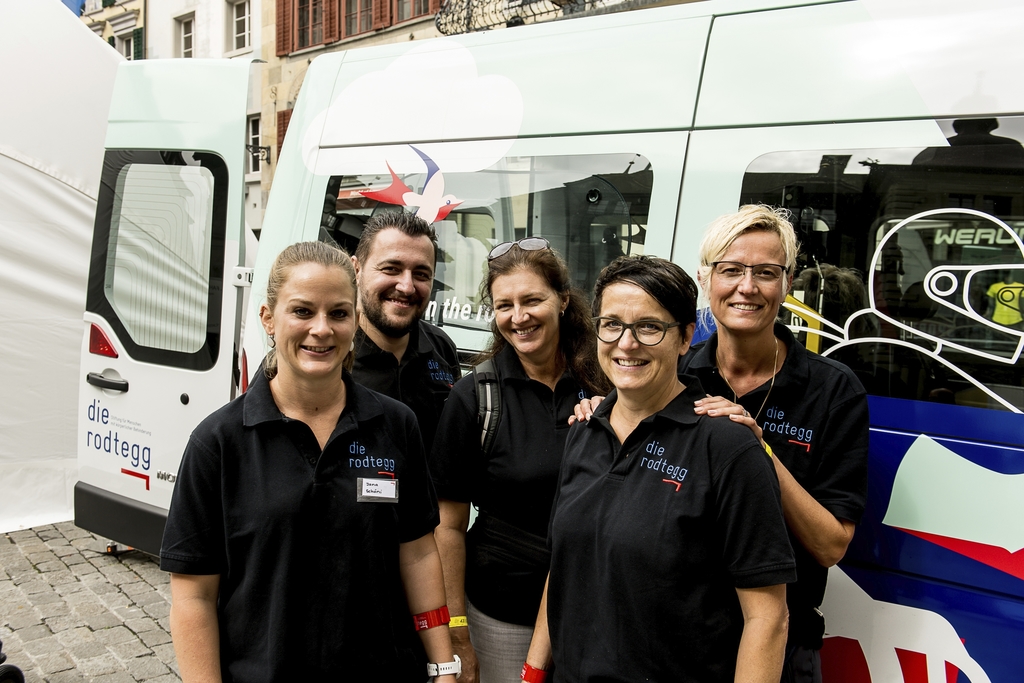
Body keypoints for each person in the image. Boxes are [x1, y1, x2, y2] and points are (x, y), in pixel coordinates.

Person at [160, 241, 460, 682]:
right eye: (302, 311)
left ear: (355, 321)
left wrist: (443, 665)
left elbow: (417, 554)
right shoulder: (218, 443)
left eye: (338, 313)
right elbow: (193, 598)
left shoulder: (397, 426)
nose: (321, 329)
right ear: (269, 319)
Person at [525, 254, 796, 683]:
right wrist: (533, 671)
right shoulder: (584, 431)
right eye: (611, 324)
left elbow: (769, 620)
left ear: (686, 337)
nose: (626, 344)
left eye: (649, 327)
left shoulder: (726, 446)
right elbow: (566, 570)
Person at [688, 206, 869, 683]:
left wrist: (759, 449)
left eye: (765, 273)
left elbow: (831, 546)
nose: (747, 287)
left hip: (784, 644)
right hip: (676, 633)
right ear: (706, 278)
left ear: (787, 283)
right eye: (731, 270)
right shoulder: (675, 375)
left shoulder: (834, 391)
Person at [430, 238, 611, 683]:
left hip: (595, 614)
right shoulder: (476, 398)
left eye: (533, 300)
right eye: (504, 305)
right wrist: (457, 634)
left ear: (563, 300)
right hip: (503, 616)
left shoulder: (607, 382)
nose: (518, 317)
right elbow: (447, 526)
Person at [351, 211, 462, 453]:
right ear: (356, 269)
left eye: (421, 274)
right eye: (391, 269)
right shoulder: (327, 352)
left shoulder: (441, 348)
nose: (407, 286)